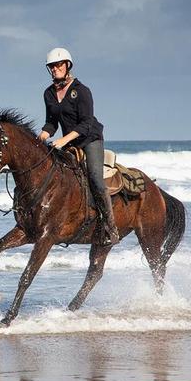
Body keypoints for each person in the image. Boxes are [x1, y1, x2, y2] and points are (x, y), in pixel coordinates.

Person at [36, 47, 119, 245]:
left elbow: (87, 123)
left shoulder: (81, 91)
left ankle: (111, 227)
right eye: (52, 67)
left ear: (67, 66)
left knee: (95, 179)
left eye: (58, 65)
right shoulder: (48, 94)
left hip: (90, 139)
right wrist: (42, 136)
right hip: (69, 141)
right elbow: (51, 122)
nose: (55, 69)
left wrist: (64, 140)